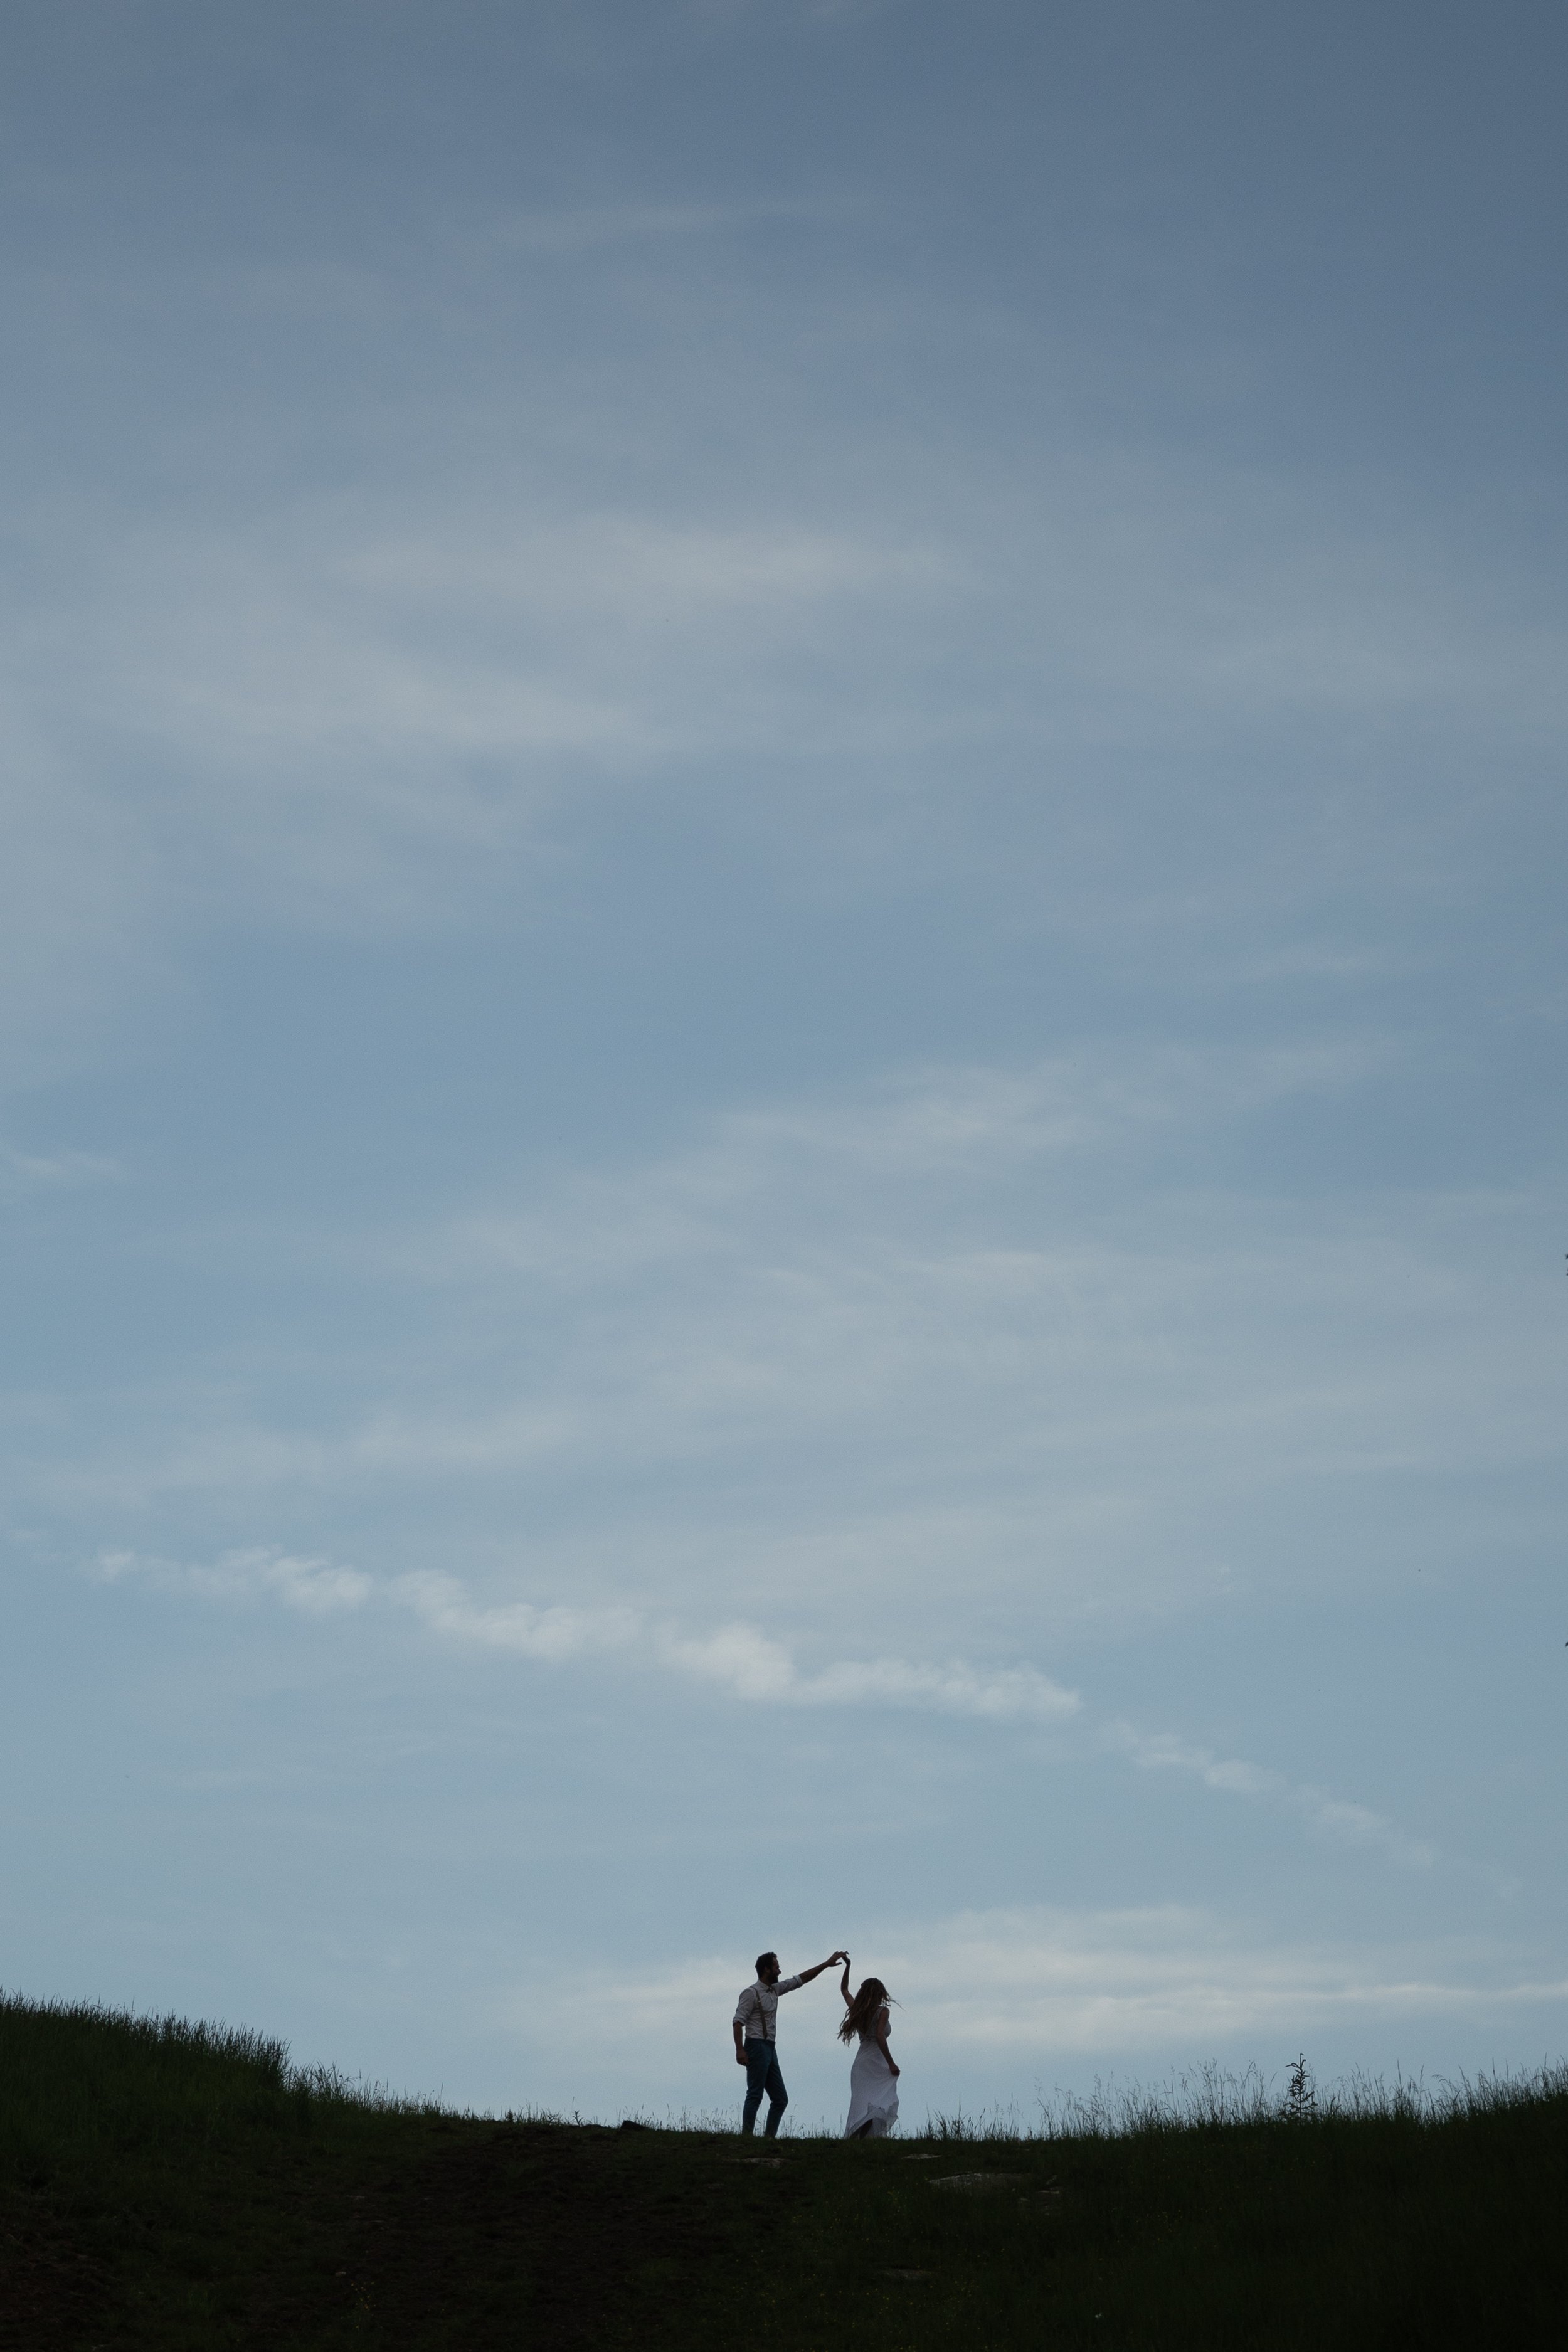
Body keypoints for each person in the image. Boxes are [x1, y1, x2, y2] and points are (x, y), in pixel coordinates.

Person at [732, 1947, 847, 2137]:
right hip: (756, 2045)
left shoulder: (774, 1990)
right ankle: (747, 2137)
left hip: (770, 2047)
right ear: (767, 1970)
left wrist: (827, 1964)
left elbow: (800, 1980)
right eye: (776, 1967)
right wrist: (739, 2050)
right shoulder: (751, 1993)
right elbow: (738, 2022)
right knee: (755, 2094)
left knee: (780, 2099)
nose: (780, 1971)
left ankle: (768, 2138)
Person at [838, 1955, 900, 2139]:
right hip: (876, 2061)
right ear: (880, 1993)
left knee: (864, 2104)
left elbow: (844, 1990)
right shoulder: (883, 2011)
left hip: (862, 2062)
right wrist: (892, 2064)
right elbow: (881, 2037)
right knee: (878, 2101)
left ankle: (861, 2138)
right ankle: (863, 2138)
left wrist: (848, 1966)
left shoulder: (858, 2010)